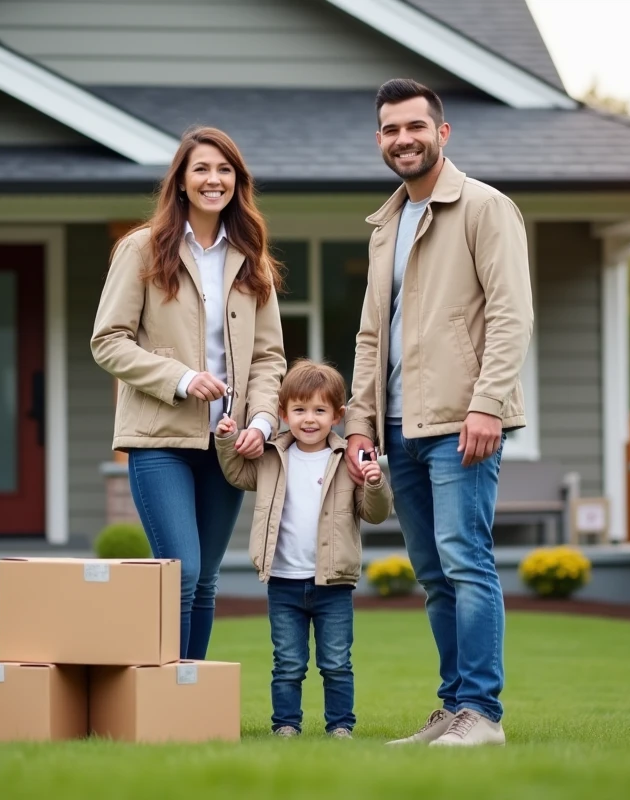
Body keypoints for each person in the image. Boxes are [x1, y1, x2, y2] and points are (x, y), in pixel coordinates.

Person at [343, 79, 534, 747]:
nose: (404, 139)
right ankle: (453, 709)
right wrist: (359, 423)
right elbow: (371, 335)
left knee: (465, 562)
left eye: (415, 127)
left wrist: (487, 404)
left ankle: (483, 713)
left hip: (462, 423)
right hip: (400, 428)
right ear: (380, 139)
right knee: (432, 575)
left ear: (442, 133)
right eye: (391, 130)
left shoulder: (485, 207)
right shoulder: (386, 226)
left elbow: (512, 315)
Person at [91, 126, 287, 660]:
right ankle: (163, 689)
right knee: (182, 571)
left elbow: (269, 357)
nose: (213, 179)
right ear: (180, 180)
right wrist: (181, 378)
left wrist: (262, 423)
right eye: (201, 169)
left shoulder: (251, 258)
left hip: (228, 444)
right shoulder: (141, 248)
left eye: (224, 170)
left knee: (205, 580)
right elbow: (108, 342)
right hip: (160, 440)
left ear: (237, 182)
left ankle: (190, 689)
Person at [216, 359, 392, 739]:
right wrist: (227, 441)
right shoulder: (271, 457)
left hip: (334, 584)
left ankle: (340, 726)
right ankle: (285, 725)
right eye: (299, 410)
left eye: (319, 411)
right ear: (283, 413)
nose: (309, 419)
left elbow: (374, 513)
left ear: (338, 416)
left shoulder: (347, 460)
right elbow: (236, 473)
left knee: (336, 663)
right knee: (288, 663)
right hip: (283, 582)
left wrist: (375, 483)